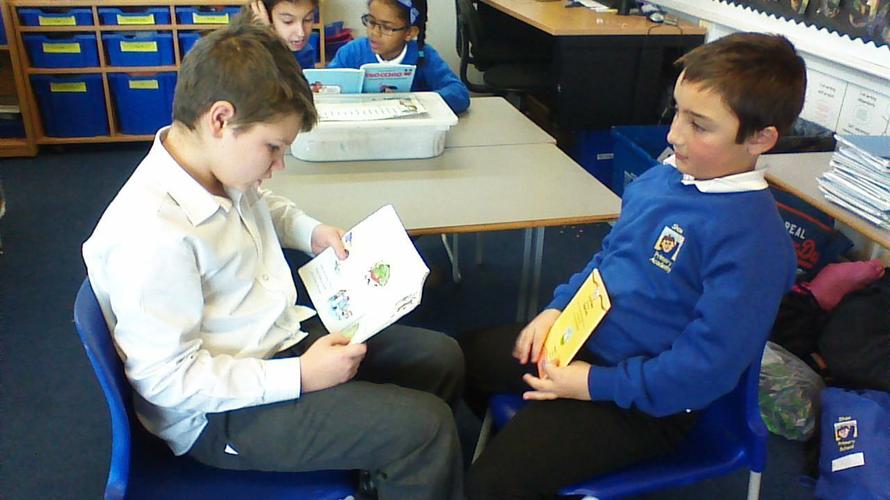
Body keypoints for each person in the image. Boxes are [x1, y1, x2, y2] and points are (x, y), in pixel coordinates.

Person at [82, 18, 464, 500]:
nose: (278, 165)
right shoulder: (151, 234)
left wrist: (310, 232)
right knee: (426, 429)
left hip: (273, 339)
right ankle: (404, 458)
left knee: (440, 359)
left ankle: (385, 473)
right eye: (273, 148)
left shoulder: (214, 167)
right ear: (220, 119)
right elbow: (167, 381)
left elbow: (265, 204)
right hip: (220, 415)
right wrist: (300, 376)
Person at [461, 32, 807, 499]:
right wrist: (557, 309)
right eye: (677, 111)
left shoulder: (754, 244)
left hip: (645, 402)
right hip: (585, 342)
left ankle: (534, 450)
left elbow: (703, 372)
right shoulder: (668, 175)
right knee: (462, 357)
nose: (674, 135)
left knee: (489, 487)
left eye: (700, 125)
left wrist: (592, 385)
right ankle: (533, 440)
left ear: (760, 139)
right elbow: (611, 258)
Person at [328, 0, 471, 114]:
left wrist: (418, 101)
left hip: (410, 133)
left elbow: (459, 94)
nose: (374, 33)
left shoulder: (423, 55)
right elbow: (326, 89)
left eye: (386, 27)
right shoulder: (351, 52)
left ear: (409, 33)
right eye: (371, 22)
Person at [246, 0, 318, 69]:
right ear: (266, 18)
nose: (301, 33)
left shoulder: (305, 53)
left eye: (308, 19)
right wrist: (266, 36)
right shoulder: (246, 54)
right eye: (288, 21)